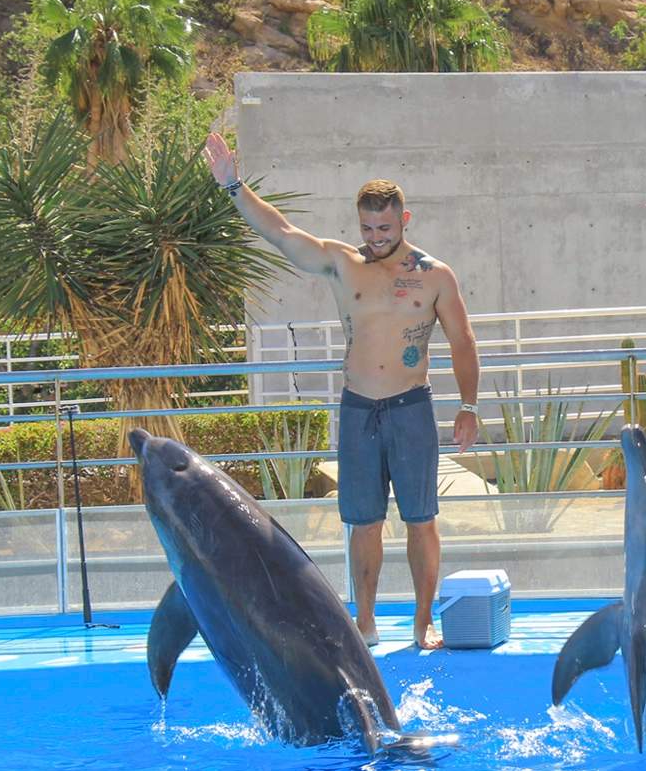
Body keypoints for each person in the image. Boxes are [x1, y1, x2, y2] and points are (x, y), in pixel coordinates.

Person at [204, 131, 480, 651]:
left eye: (385, 226)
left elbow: (463, 340)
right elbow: (282, 232)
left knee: (422, 520)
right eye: (368, 227)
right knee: (363, 522)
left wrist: (468, 405)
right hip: (358, 411)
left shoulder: (434, 275)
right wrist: (233, 185)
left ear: (405, 220)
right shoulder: (341, 262)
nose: (376, 236)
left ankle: (423, 626)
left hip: (410, 408)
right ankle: (366, 624)